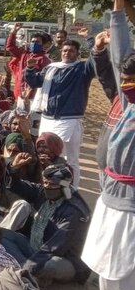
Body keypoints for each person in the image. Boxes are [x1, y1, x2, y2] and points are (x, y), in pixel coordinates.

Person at [80, 0, 135, 290]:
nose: (126, 77)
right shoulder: (128, 97)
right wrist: (118, 1)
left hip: (132, 211)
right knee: (105, 283)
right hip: (109, 203)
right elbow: (119, 56)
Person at [6, 161, 91, 286]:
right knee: (2, 235)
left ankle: (27, 270)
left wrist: (30, 266)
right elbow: (16, 186)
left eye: (52, 184)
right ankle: (32, 272)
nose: (47, 186)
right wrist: (14, 169)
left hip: (63, 258)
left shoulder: (74, 212)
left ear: (64, 187)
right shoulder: (42, 192)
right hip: (35, 248)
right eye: (45, 182)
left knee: (51, 265)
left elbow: (55, 247)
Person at [24, 39, 95, 188]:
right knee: (45, 155)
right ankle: (51, 187)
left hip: (69, 120)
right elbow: (35, 82)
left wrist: (92, 42)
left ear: (77, 53)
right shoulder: (51, 68)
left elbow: (96, 60)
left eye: (71, 51)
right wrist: (30, 68)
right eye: (64, 50)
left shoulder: (82, 69)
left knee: (67, 158)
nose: (67, 53)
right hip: (48, 118)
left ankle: (71, 189)